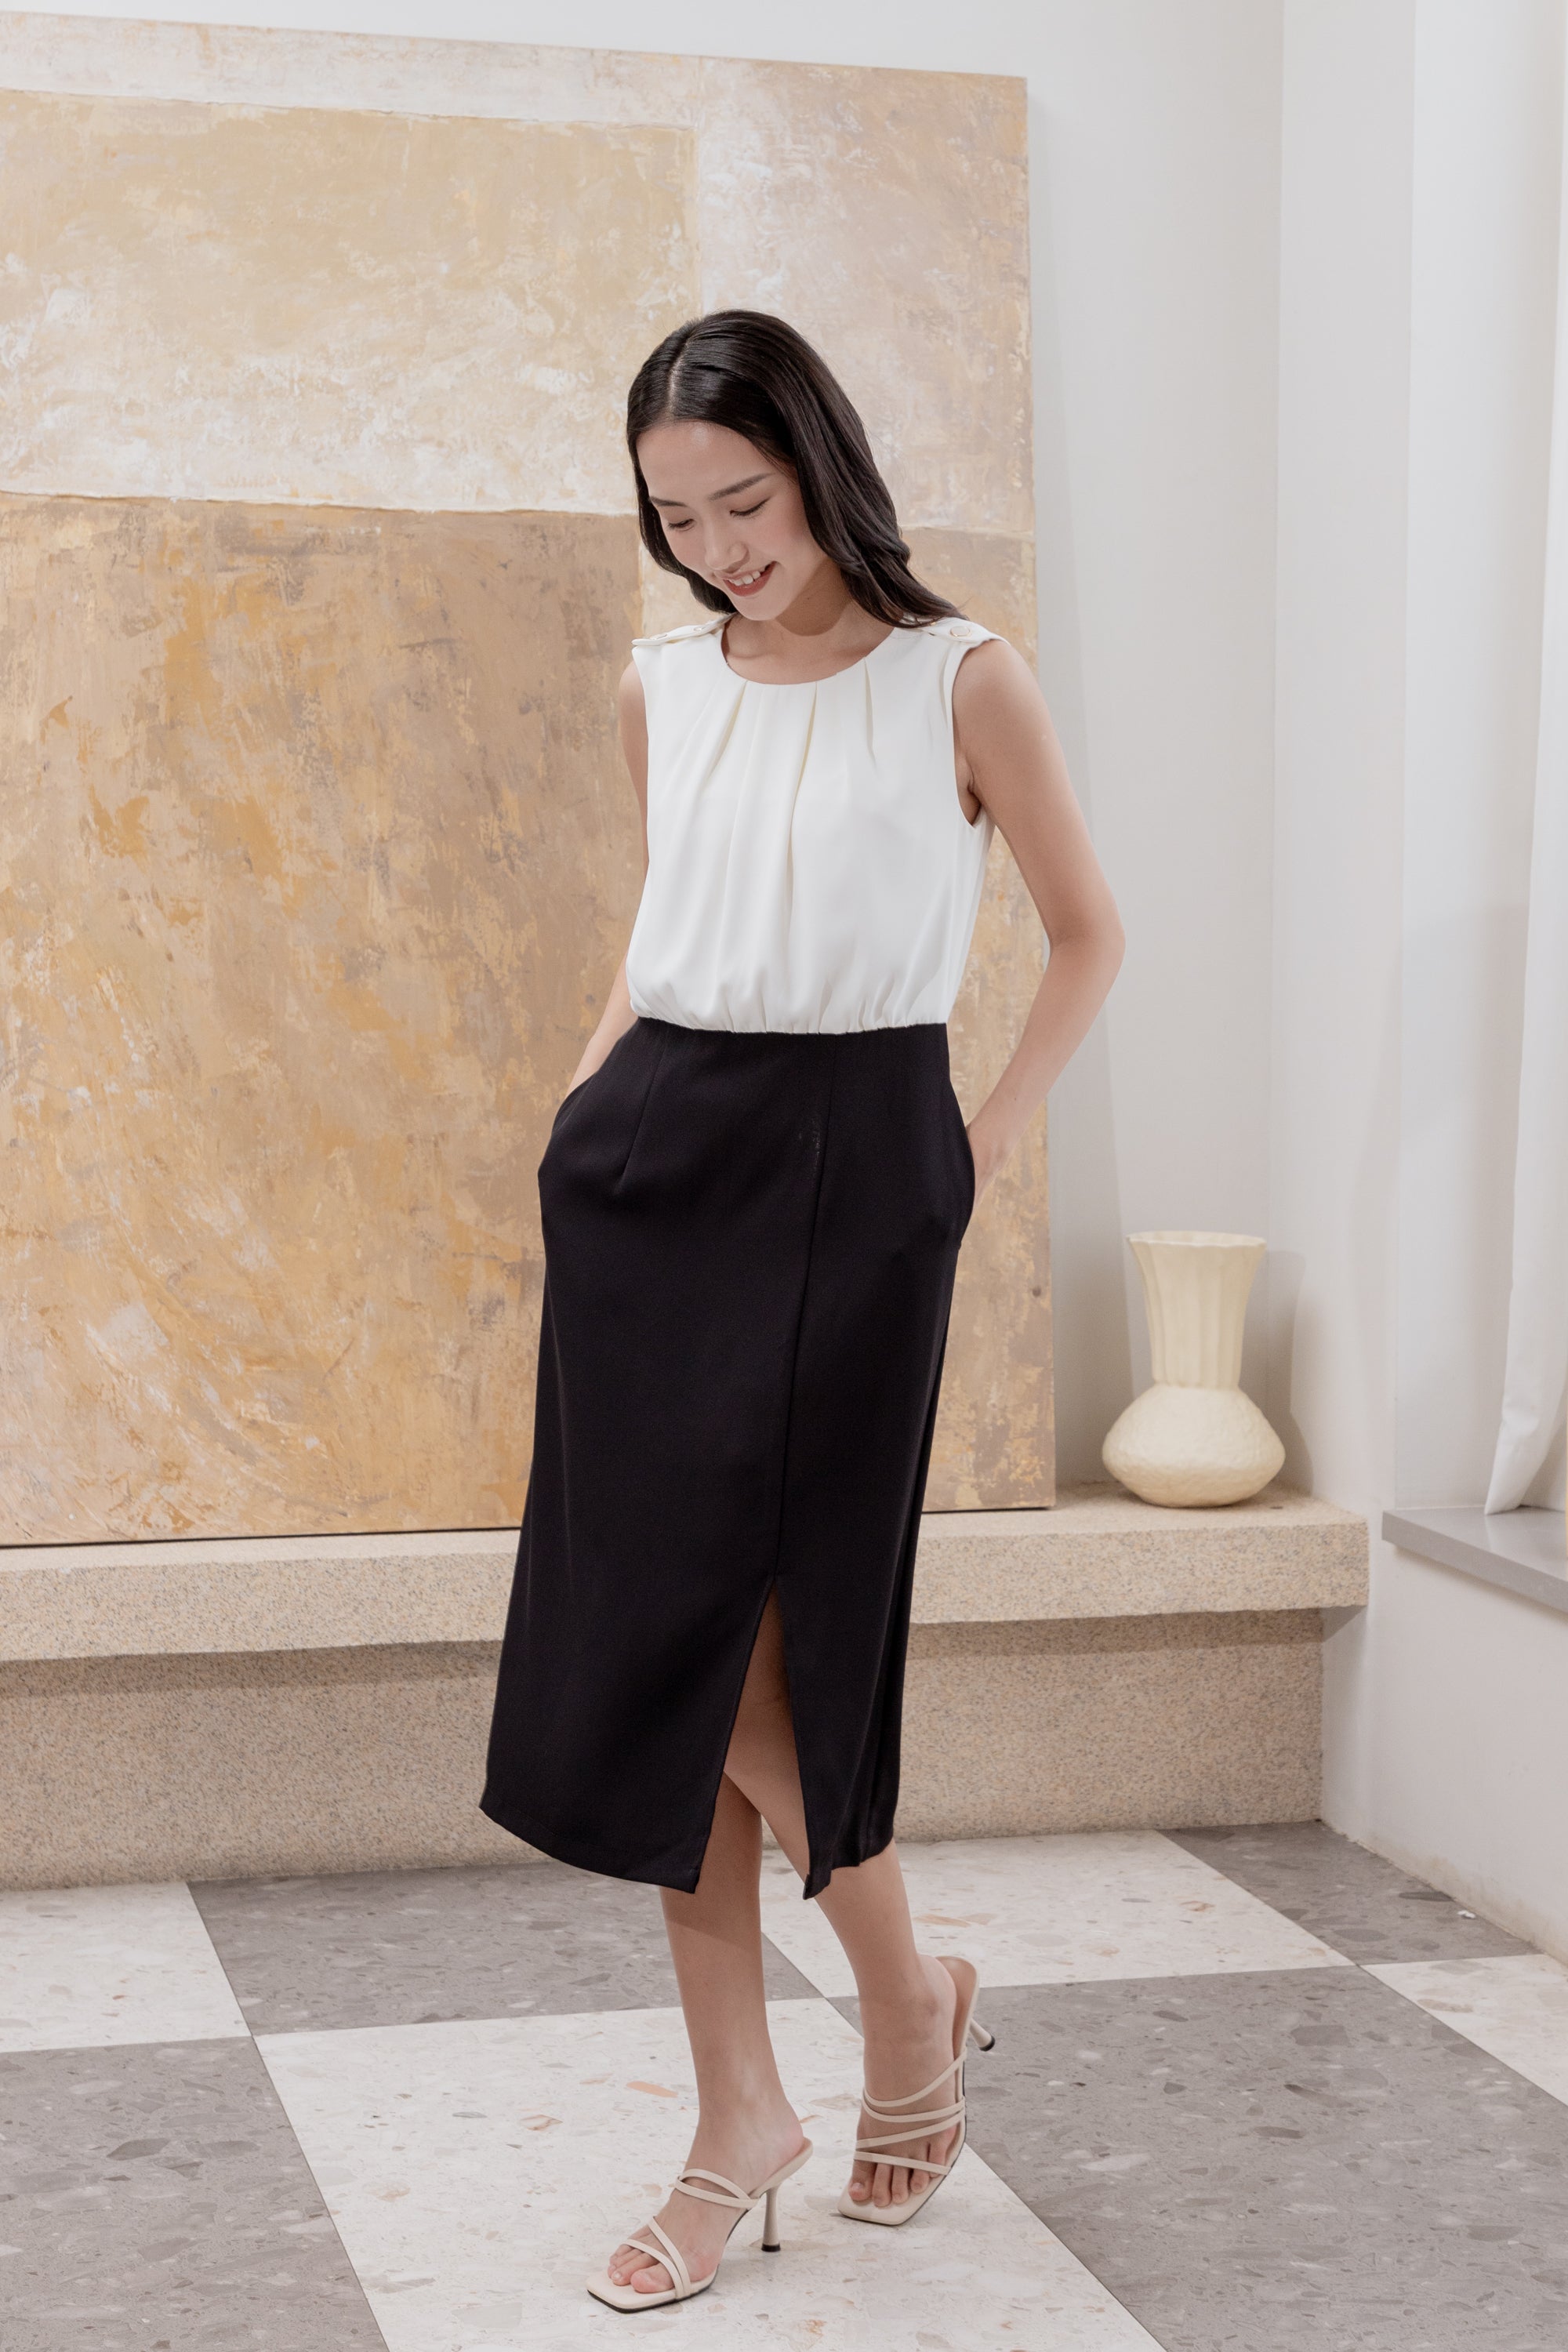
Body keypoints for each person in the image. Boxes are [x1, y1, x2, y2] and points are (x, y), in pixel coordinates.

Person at [481, 309, 1123, 2311]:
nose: (717, 549)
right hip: (650, 1166)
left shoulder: (961, 677)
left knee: (781, 1636)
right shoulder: (662, 681)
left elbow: (1089, 935)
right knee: (666, 1640)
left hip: (858, 1166)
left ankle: (899, 2011)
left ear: (818, 460)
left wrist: (974, 1149)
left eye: (741, 502)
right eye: (676, 518)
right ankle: (750, 2103)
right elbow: (667, 921)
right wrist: (579, 1117)